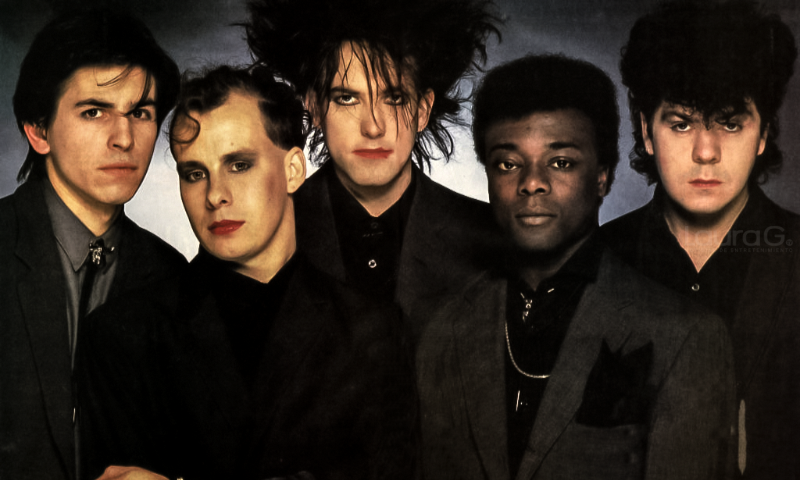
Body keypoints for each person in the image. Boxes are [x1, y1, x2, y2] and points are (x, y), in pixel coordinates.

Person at [78, 65, 416, 480]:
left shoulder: (374, 331)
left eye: (239, 165)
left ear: (293, 170)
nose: (215, 195)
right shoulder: (120, 336)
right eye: (195, 174)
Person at [416, 54, 735, 480]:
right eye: (508, 164)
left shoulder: (686, 336)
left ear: (602, 177)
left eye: (561, 162)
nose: (532, 182)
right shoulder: (445, 329)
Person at [602, 1, 800, 477]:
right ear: (647, 131)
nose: (706, 151)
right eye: (682, 123)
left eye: (730, 123)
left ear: (763, 134)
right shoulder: (596, 261)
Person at [244, 0, 502, 342]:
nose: (373, 127)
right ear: (314, 106)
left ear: (423, 109)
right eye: (347, 98)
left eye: (393, 98)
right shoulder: (262, 230)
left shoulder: (491, 239)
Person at [0, 8, 183, 480]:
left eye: (140, 113)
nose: (124, 138)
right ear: (38, 130)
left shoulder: (175, 276)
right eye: (94, 111)